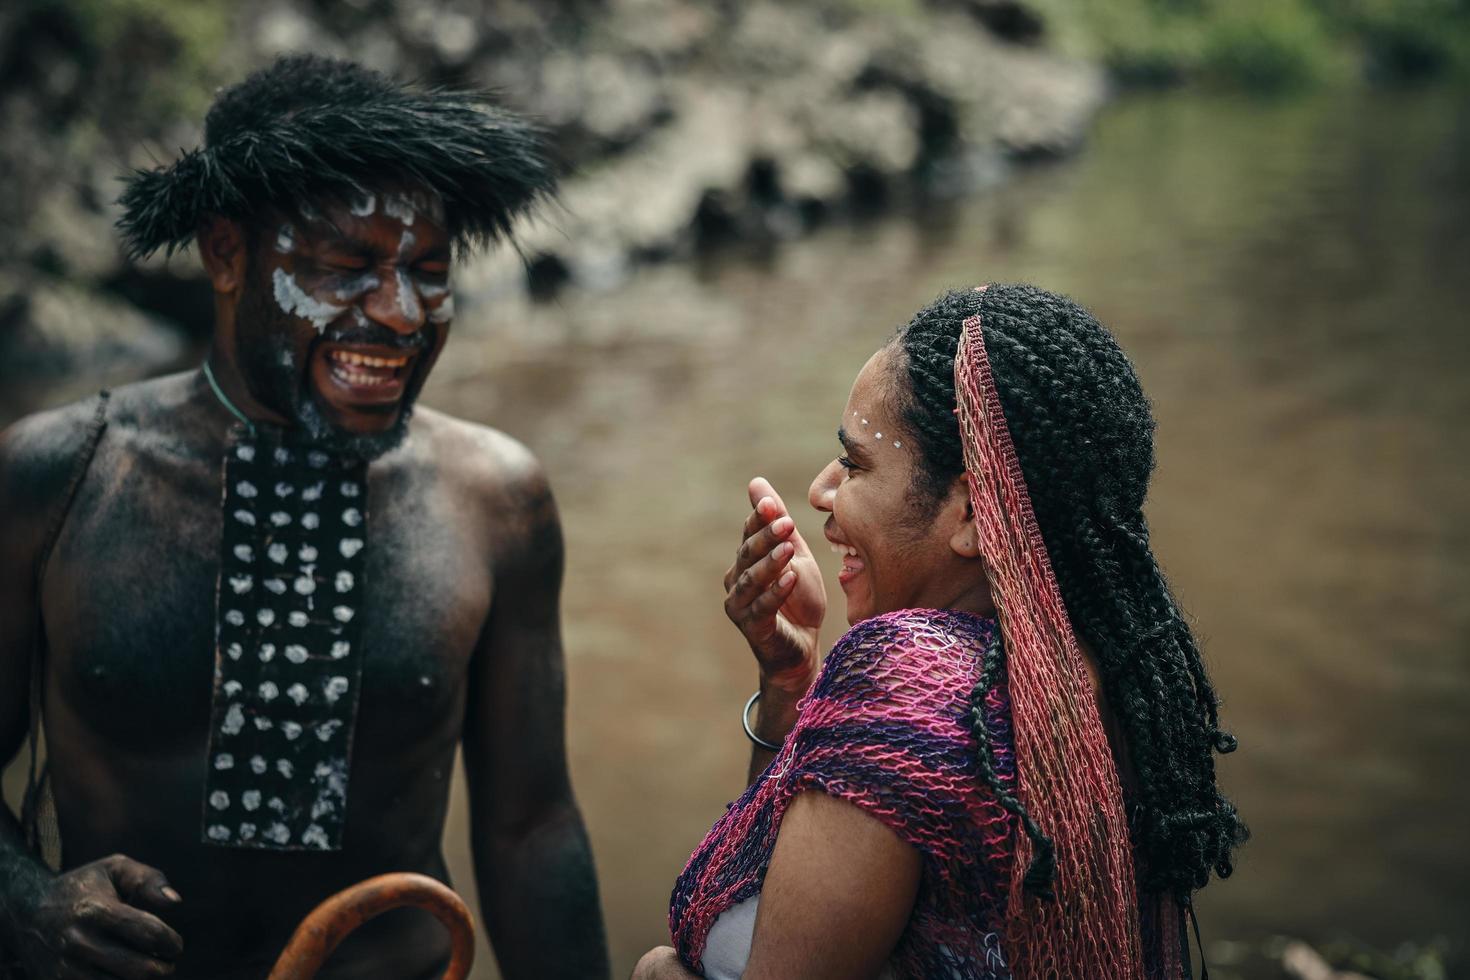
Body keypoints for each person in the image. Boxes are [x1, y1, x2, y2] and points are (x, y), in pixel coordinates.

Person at [0, 56, 609, 979]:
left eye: (429, 273)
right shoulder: (61, 476)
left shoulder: (496, 498)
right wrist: (28, 905)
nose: (402, 314)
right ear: (227, 253)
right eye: (347, 268)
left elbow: (531, 826)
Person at [634, 284, 1246, 979]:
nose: (820, 491)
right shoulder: (1109, 675)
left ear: (971, 516)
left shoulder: (904, 679)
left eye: (857, 464)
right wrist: (790, 687)